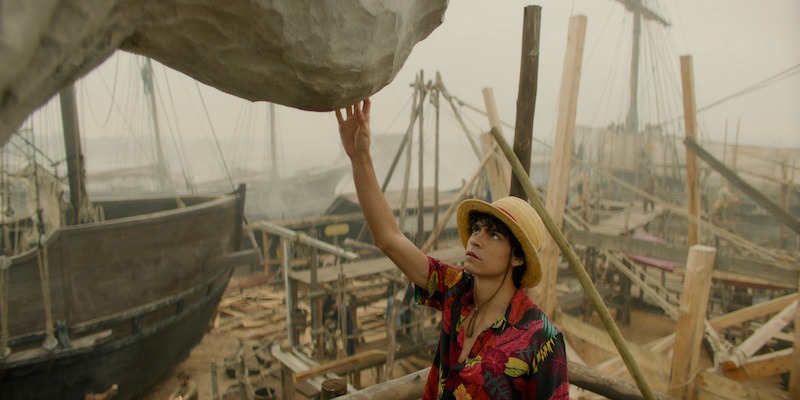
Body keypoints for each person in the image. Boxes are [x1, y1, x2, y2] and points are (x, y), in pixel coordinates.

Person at [336, 99, 569, 399]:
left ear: (518, 256)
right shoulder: (457, 291)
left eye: (494, 235)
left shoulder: (542, 340)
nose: (475, 240)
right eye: (476, 229)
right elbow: (389, 239)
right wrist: (360, 158)